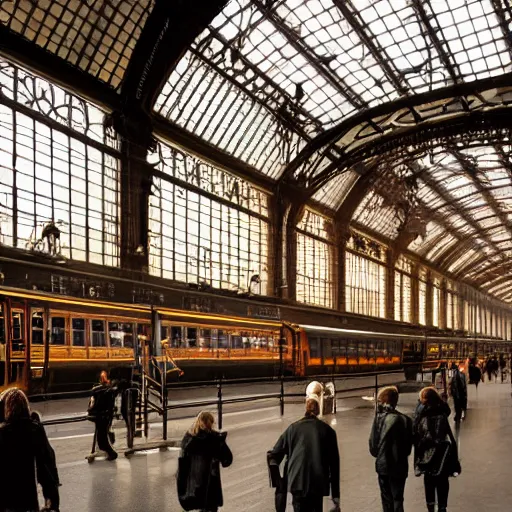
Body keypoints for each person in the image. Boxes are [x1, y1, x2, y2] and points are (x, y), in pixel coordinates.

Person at [268, 397, 341, 512]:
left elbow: (275, 454)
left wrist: (278, 482)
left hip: (297, 481)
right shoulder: (328, 431)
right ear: (318, 410)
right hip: (318, 482)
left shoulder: (292, 429)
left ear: (305, 409)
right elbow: (334, 464)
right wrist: (336, 495)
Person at [0, 388, 60, 512]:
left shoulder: (2, 433)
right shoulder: (35, 429)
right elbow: (47, 465)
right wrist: (51, 500)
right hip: (28, 500)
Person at [413, 387, 460, 512]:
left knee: (429, 483)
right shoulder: (442, 414)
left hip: (427, 456)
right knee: (443, 482)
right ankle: (442, 507)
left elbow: (416, 434)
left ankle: (431, 508)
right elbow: (449, 436)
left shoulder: (422, 417)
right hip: (442, 454)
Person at [177, 411, 232, 512]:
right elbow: (227, 459)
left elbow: (183, 459)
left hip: (196, 484)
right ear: (212, 422)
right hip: (211, 480)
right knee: (211, 506)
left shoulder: (190, 439)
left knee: (202, 506)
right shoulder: (215, 438)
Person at [369, 386, 413, 512]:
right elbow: (408, 448)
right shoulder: (406, 420)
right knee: (398, 498)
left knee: (386, 499)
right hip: (400, 465)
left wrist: (380, 453)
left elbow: (373, 446)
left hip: (383, 465)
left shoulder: (379, 419)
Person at [87, 370, 118, 460]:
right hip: (107, 414)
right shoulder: (111, 389)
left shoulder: (96, 390)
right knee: (103, 433)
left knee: (102, 436)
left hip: (99, 414)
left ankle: (111, 452)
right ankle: (109, 442)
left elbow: (92, 404)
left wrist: (90, 411)